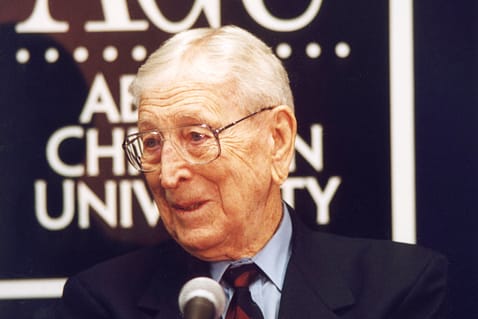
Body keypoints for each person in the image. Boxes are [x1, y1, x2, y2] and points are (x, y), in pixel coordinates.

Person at [56, 25, 448, 319]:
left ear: (277, 140)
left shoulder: (399, 288)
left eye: (197, 136)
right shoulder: (102, 302)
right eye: (153, 143)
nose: (169, 174)